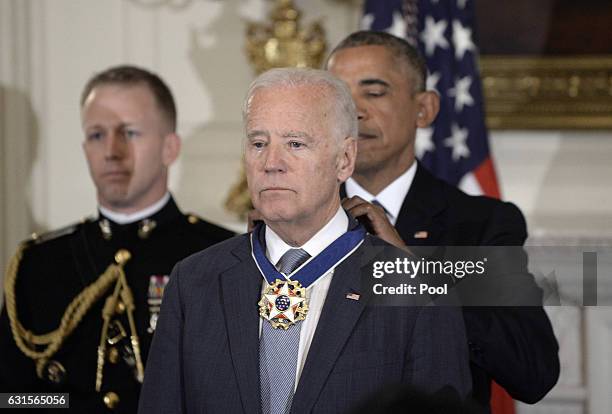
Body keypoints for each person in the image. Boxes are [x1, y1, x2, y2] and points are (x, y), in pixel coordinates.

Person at [138, 68, 471, 414]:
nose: (271, 163)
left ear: (344, 160)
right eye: (258, 143)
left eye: (295, 144)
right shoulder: (194, 282)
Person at [325, 31, 560, 412]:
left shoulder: (480, 225)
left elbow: (533, 371)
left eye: (375, 92)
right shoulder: (298, 217)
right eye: (339, 96)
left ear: (424, 109)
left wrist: (416, 279)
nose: (353, 110)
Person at [0, 65, 234, 412]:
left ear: (170, 147)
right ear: (84, 148)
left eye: (130, 132)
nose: (111, 150)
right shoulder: (39, 263)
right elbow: (12, 399)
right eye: (97, 135)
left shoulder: (222, 256)